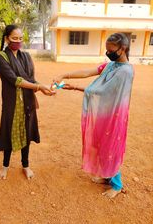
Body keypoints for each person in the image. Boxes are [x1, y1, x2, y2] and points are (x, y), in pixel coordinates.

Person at [53, 33, 134, 198]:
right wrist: (65, 75)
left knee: (110, 147)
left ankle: (117, 185)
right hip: (103, 114)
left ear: (123, 49)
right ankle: (107, 176)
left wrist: (75, 87)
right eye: (107, 50)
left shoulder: (125, 71)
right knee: (100, 144)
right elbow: (88, 72)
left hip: (114, 117)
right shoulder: (111, 65)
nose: (108, 53)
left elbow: (103, 92)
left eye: (111, 50)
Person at [0, 24, 55, 180]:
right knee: (9, 133)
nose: (18, 41)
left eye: (21, 38)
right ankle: (5, 165)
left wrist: (43, 88)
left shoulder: (26, 56)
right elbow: (15, 80)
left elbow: (31, 80)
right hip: (12, 104)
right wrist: (38, 86)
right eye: (14, 38)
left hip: (27, 102)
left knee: (27, 134)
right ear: (7, 38)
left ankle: (25, 165)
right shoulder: (1, 57)